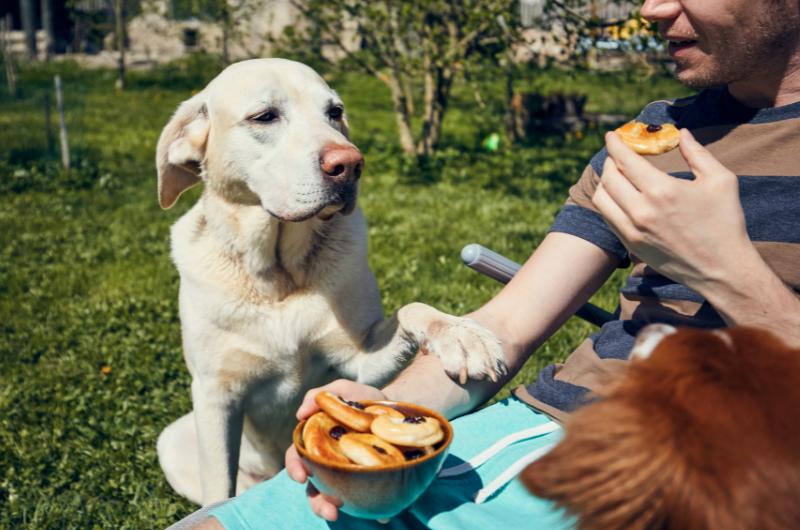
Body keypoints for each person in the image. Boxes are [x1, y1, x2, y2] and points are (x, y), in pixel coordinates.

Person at [180, 0, 800, 527]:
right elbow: (506, 328)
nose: (653, 8)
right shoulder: (655, 136)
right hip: (544, 431)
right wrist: (386, 417)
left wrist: (726, 270)